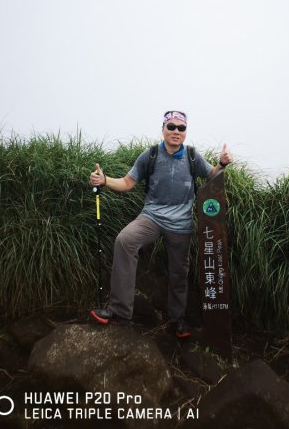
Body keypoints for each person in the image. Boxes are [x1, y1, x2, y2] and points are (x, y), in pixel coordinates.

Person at [89, 110, 233, 338]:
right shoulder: (151, 155)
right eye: (171, 127)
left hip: (181, 224)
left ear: (185, 132)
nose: (176, 132)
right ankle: (119, 311)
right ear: (163, 129)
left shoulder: (193, 156)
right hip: (152, 217)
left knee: (178, 272)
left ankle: (177, 320)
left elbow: (211, 175)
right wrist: (105, 181)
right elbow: (127, 183)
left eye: (181, 128)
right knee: (125, 241)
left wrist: (222, 164)